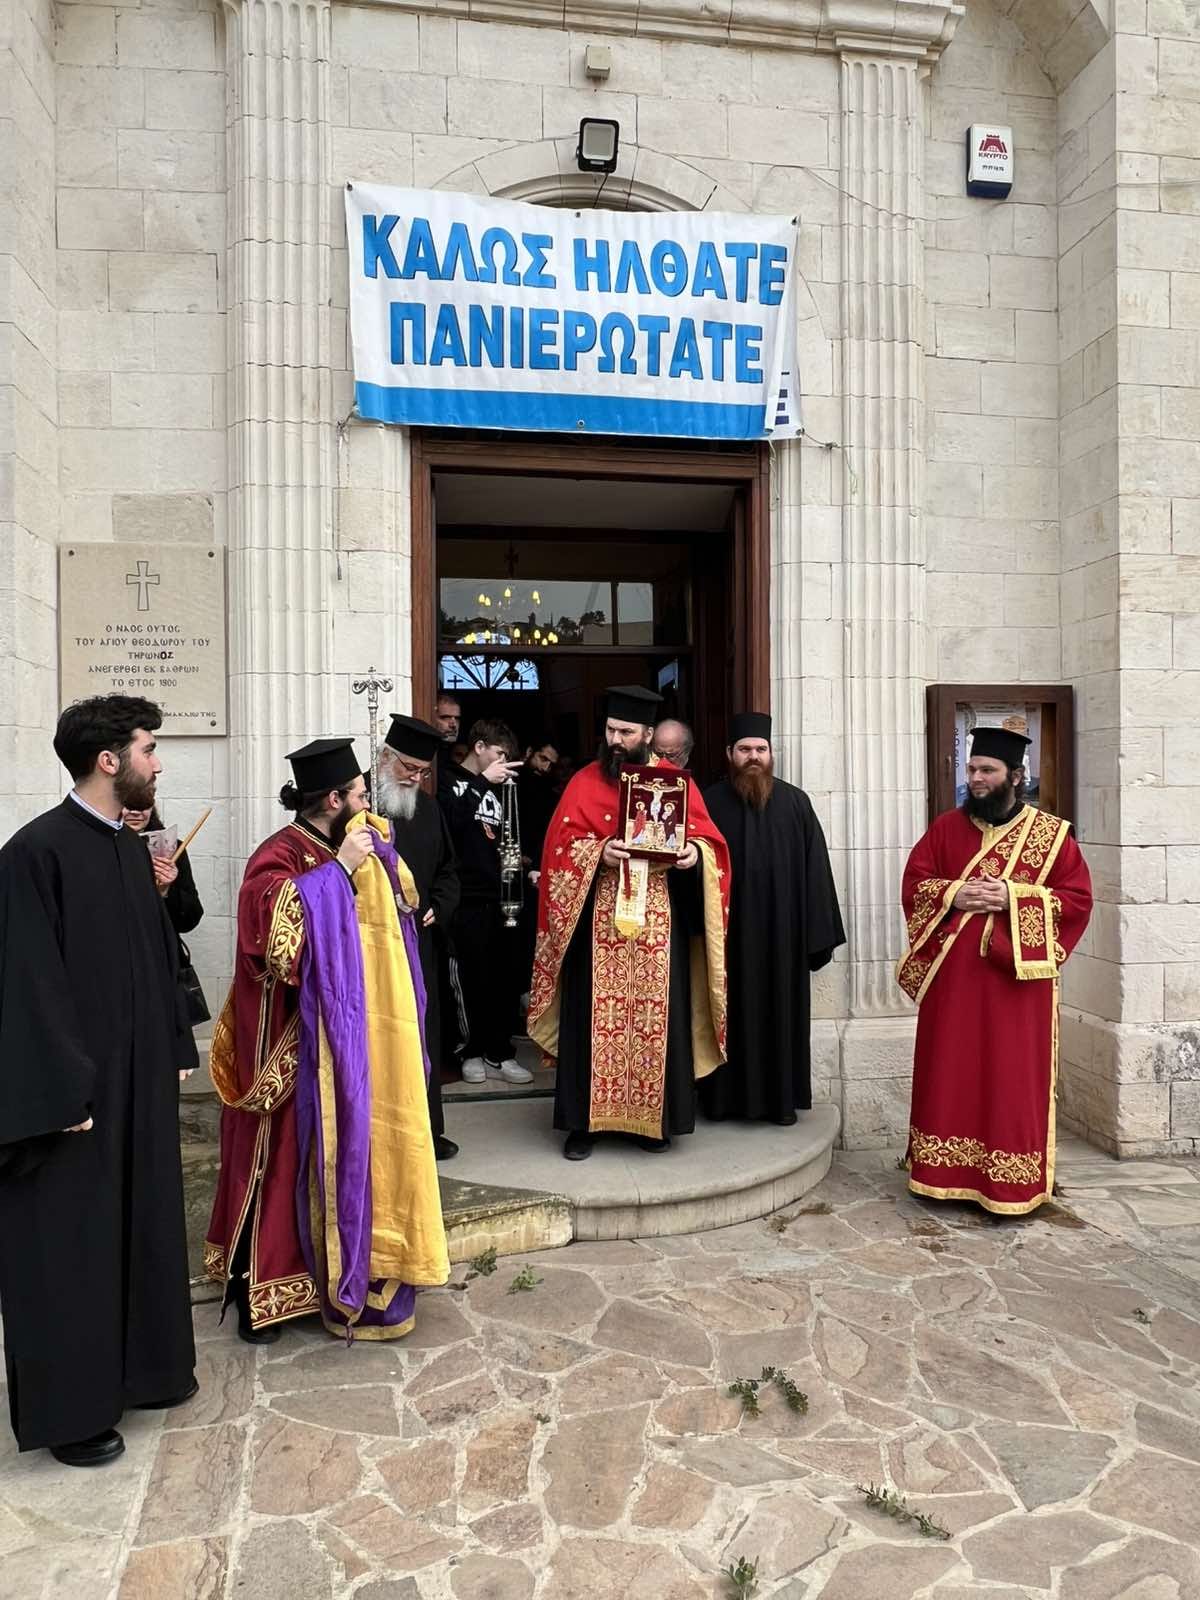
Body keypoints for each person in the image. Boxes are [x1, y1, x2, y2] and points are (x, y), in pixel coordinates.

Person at [0, 695, 197, 1466]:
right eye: (149, 748)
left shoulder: (126, 847)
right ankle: (73, 1415)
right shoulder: (34, 853)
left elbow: (157, 958)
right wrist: (61, 1092)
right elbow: (26, 985)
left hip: (137, 1084)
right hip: (74, 1099)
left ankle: (147, 1372)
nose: (158, 762)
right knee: (70, 1248)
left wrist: (173, 1044)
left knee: (140, 1224)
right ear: (109, 760)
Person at [205, 738, 448, 1341]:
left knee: (333, 1161)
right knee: (279, 1161)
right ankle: (257, 1292)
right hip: (288, 1045)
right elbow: (275, 944)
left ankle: (329, 1276)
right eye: (360, 795)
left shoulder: (351, 843)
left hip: (343, 1040)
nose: (369, 805)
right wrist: (338, 871)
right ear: (334, 799)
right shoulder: (278, 854)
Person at [528, 685, 731, 1161]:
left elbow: (712, 845)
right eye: (610, 730)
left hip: (658, 923)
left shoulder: (675, 783)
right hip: (596, 923)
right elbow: (558, 849)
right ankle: (583, 1125)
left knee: (655, 1019)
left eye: (625, 732)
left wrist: (692, 854)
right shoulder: (584, 781)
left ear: (647, 734)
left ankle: (653, 1122)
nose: (615, 740)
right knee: (591, 1020)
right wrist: (599, 852)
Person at [898, 726, 1093, 1215]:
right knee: (950, 1071)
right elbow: (915, 883)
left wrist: (1014, 896)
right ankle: (940, 1173)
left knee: (1011, 1077)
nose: (977, 779)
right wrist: (954, 893)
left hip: (1017, 988)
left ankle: (1009, 1183)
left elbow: (1077, 901)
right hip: (953, 984)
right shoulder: (946, 828)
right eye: (972, 769)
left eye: (987, 770)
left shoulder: (1051, 837)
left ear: (1016, 776)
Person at [700, 713, 845, 1125]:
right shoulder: (707, 804)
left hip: (784, 939)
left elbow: (816, 873)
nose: (753, 757)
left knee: (781, 1016)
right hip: (727, 940)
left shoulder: (796, 803)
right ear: (729, 753)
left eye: (760, 749)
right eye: (745, 749)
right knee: (728, 1015)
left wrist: (814, 937)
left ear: (771, 754)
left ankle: (781, 1103)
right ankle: (722, 1102)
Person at [375, 714, 461, 1160]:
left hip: (419, 941)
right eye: (408, 768)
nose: (414, 778)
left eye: (423, 772)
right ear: (385, 758)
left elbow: (448, 871)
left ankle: (427, 1129)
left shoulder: (428, 810)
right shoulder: (359, 806)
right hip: (372, 946)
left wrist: (438, 906)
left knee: (422, 1034)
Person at [438, 720, 532, 1085]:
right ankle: (471, 1051)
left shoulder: (502, 787)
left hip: (503, 896)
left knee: (504, 978)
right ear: (479, 747)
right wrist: (481, 783)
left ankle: (500, 1052)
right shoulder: (448, 780)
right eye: (499, 754)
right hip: (467, 897)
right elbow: (450, 825)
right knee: (471, 978)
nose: (503, 763)